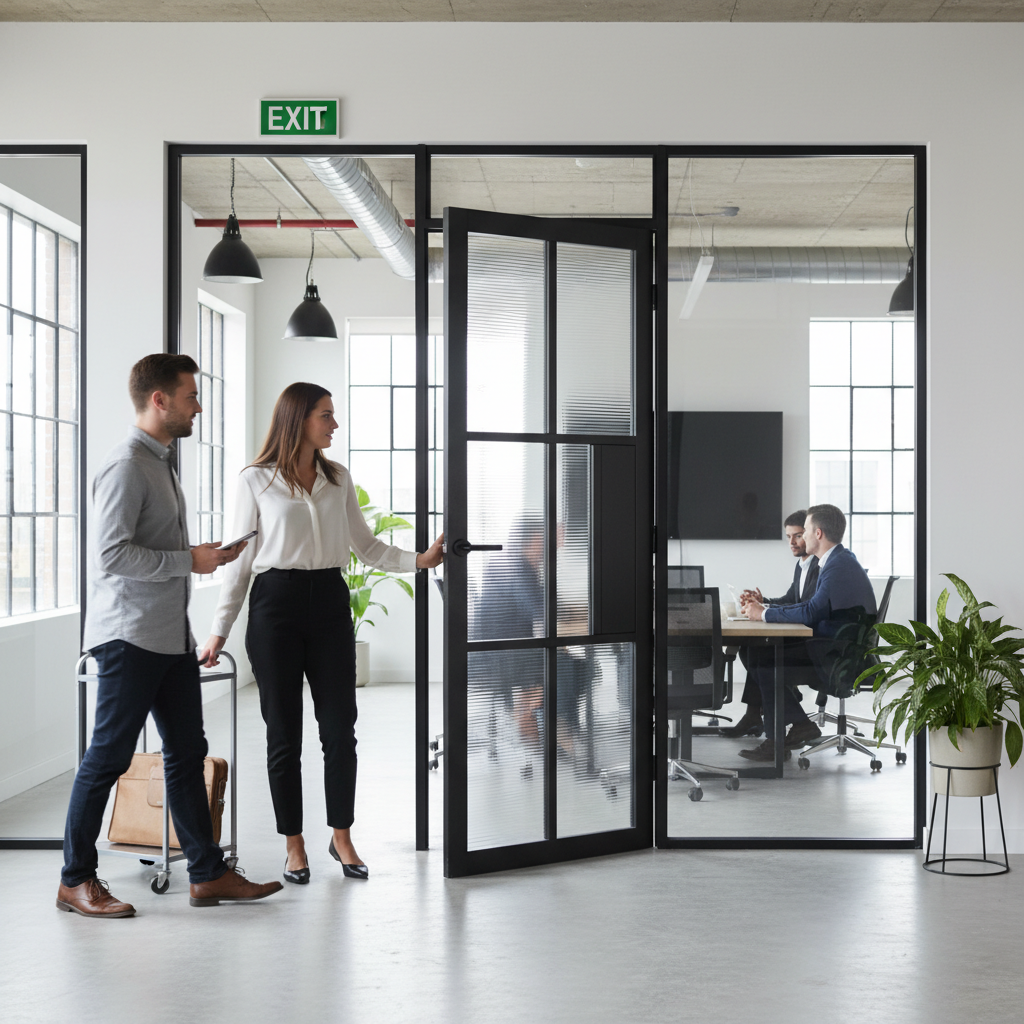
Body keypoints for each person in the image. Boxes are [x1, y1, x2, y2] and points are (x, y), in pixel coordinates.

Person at [58, 354, 283, 919]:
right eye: (190, 397)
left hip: (168, 639)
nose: (198, 406)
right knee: (107, 759)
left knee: (187, 754)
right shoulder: (126, 466)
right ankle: (75, 880)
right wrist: (191, 559)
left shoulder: (159, 463)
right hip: (129, 638)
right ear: (159, 400)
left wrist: (201, 557)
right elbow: (110, 555)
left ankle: (207, 875)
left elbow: (150, 550)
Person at [200, 382, 443, 884]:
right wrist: (219, 631)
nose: (334, 424)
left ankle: (341, 836)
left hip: (330, 605)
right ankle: (293, 844)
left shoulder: (337, 478)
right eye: (326, 415)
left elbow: (367, 547)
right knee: (283, 735)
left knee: (339, 731)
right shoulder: (255, 481)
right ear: (298, 419)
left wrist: (419, 561)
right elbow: (238, 562)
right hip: (275, 609)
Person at [738, 503, 876, 762]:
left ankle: (778, 741)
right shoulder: (836, 561)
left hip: (837, 657)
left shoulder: (837, 565)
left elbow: (812, 611)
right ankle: (797, 724)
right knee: (760, 655)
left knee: (767, 662)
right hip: (831, 646)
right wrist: (764, 608)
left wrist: (764, 614)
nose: (802, 537)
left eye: (806, 531)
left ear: (818, 533)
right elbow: (807, 605)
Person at [720, 510, 819, 738]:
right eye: (788, 537)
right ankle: (754, 714)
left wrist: (764, 611)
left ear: (813, 534)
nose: (792, 543)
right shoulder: (802, 565)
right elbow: (790, 600)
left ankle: (792, 720)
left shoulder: (819, 567)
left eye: (798, 536)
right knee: (751, 648)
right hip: (801, 635)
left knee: (761, 655)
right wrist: (764, 602)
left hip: (812, 642)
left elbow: (806, 609)